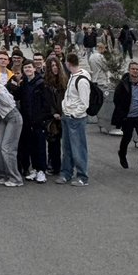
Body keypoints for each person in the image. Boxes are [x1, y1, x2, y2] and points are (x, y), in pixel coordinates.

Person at [111, 61, 138, 176]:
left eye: (137, 69)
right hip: (127, 117)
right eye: (133, 69)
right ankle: (122, 154)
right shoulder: (123, 84)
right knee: (127, 138)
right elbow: (116, 100)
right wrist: (122, 113)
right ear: (129, 70)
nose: (135, 71)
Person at [56, 53, 90, 186]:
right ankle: (66, 173)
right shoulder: (73, 77)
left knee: (78, 148)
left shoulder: (81, 80)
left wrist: (75, 113)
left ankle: (82, 176)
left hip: (76, 118)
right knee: (67, 147)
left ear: (67, 63)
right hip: (68, 116)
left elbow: (84, 102)